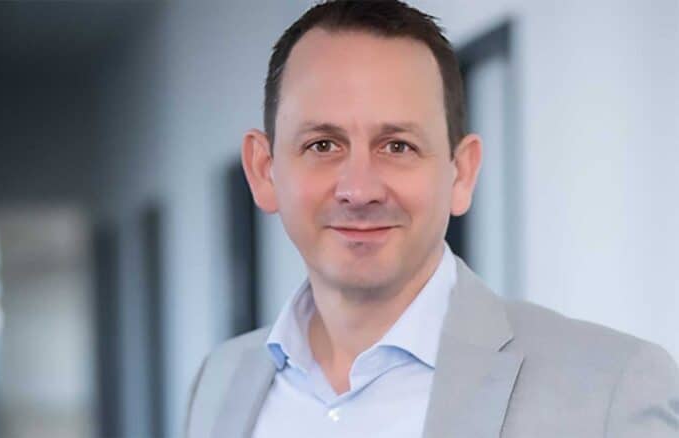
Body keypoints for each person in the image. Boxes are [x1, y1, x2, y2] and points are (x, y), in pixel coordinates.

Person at [185, 1, 679, 437]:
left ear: (461, 173)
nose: (359, 190)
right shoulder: (218, 383)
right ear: (264, 171)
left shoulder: (610, 392)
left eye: (397, 146)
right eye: (323, 145)